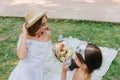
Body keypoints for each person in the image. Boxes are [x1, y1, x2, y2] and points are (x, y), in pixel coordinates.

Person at [8, 8, 52, 80]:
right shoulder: (24, 37)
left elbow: (49, 50)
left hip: (41, 70)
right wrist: (25, 33)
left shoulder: (47, 34)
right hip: (26, 73)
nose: (46, 26)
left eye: (46, 23)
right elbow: (21, 56)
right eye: (43, 24)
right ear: (35, 26)